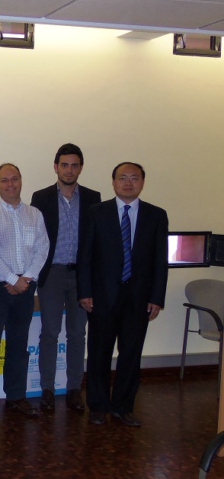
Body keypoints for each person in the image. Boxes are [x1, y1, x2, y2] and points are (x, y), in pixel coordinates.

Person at [78, 162, 168, 427]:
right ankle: (98, 406)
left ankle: (123, 407)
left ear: (142, 182)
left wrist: (156, 297)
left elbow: (160, 260)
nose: (128, 183)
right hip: (102, 296)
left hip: (139, 298)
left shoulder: (156, 215)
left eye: (134, 178)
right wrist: (85, 291)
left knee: (131, 354)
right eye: (123, 178)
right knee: (99, 353)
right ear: (113, 182)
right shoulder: (96, 212)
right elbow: (85, 255)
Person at [30, 144, 101, 412]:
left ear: (80, 168)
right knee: (49, 332)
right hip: (53, 273)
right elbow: (36, 238)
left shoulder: (93, 197)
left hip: (82, 275)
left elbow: (95, 241)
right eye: (64, 165)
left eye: (74, 165)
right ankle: (47, 388)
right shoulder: (41, 197)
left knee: (77, 334)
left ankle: (74, 389)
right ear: (56, 167)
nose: (69, 170)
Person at [0, 163, 49, 417]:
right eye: (5, 180)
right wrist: (11, 279)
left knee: (19, 344)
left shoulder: (35, 215)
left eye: (14, 179)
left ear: (21, 181)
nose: (10, 184)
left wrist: (25, 279)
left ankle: (16, 396)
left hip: (26, 287)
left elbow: (42, 249)